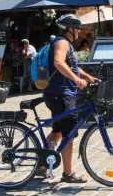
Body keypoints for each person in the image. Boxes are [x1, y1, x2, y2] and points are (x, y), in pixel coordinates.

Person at [39, 14, 98, 183]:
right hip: (61, 93)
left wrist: (87, 77)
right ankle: (68, 173)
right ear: (70, 29)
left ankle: (42, 164)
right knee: (68, 133)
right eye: (78, 28)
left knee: (57, 131)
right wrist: (76, 79)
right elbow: (59, 62)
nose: (79, 31)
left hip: (58, 93)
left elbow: (73, 66)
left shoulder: (65, 44)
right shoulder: (62, 43)